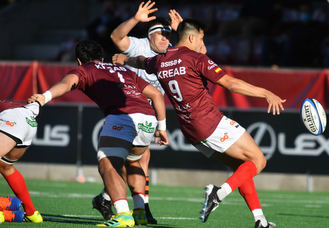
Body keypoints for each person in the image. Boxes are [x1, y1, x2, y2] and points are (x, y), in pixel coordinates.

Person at [121, 19, 285, 228]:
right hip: (210, 122)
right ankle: (218, 194)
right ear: (192, 38)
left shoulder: (160, 61)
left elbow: (142, 61)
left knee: (242, 168)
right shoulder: (196, 59)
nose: (203, 42)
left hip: (191, 131)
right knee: (259, 160)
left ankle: (259, 220)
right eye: (201, 38)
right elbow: (231, 84)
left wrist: (124, 59)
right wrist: (265, 93)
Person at [28, 40, 169, 227]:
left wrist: (44, 97)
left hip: (122, 116)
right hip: (148, 118)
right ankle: (140, 212)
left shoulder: (85, 69)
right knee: (133, 162)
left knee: (107, 162)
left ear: (79, 61)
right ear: (102, 57)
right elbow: (157, 95)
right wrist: (162, 127)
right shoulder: (123, 70)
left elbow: (68, 83)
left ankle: (123, 216)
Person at [91, 1, 183, 224]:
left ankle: (111, 199)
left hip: (148, 114)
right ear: (150, 36)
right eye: (161, 35)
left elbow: (195, 52)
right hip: (128, 112)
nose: (165, 39)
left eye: (168, 36)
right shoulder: (139, 46)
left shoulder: (169, 51)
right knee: (131, 161)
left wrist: (180, 32)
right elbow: (116, 38)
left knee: (136, 161)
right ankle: (140, 209)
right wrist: (134, 19)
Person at [0, 100, 44, 223]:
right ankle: (31, 213)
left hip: (11, 118)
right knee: (5, 166)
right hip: (28, 119)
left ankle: (4, 205)